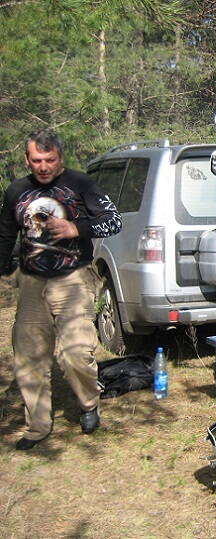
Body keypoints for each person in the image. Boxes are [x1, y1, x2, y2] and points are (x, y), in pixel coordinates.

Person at [0, 130, 122, 450]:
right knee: (29, 355)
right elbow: (5, 234)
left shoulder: (81, 184)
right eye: (36, 160)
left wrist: (76, 228)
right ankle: (37, 426)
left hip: (73, 278)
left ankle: (89, 404)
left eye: (50, 160)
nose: (43, 166)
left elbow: (114, 221)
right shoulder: (16, 191)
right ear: (27, 160)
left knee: (76, 353)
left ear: (60, 158)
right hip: (31, 282)